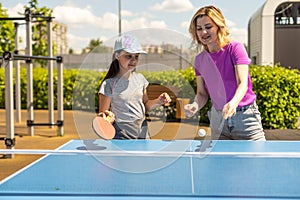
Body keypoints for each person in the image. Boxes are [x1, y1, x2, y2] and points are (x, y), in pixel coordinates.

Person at [184, 5, 266, 140]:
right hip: (218, 120)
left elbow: (243, 83)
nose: (203, 32)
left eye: (208, 27)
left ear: (218, 27)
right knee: (221, 161)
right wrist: (195, 105)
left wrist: (233, 103)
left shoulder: (235, 48)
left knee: (259, 160)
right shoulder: (199, 60)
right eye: (199, 28)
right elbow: (201, 94)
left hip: (245, 117)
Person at [98, 34, 171, 139]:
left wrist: (159, 101)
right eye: (128, 56)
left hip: (143, 130)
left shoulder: (140, 79)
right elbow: (103, 116)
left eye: (136, 56)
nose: (133, 60)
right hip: (121, 134)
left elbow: (145, 105)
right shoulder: (108, 84)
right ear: (117, 55)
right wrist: (106, 119)